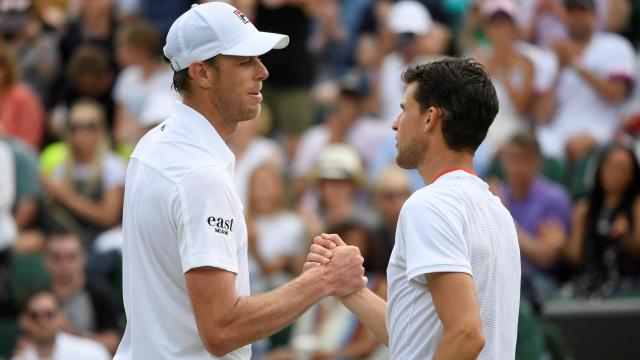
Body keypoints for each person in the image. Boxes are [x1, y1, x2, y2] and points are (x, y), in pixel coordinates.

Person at [114, 3, 366, 359]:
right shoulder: (199, 174)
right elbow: (221, 329)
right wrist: (323, 280)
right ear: (202, 73)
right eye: (245, 61)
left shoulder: (154, 144)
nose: (262, 71)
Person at [306, 57, 521, 359]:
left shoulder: (429, 204)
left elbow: (466, 335)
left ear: (430, 118)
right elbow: (414, 341)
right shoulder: (497, 211)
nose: (395, 123)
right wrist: (350, 290)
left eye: (405, 109)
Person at [563, 143, 640, 298]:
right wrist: (561, 243)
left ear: (632, 174)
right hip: (590, 279)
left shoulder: (636, 205)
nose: (615, 173)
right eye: (611, 166)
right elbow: (575, 258)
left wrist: (625, 237)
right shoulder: (584, 208)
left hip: (624, 281)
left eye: (622, 168)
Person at [43, 232, 122, 353]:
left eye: (71, 257)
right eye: (56, 258)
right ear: (45, 261)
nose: (64, 265)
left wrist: (72, 334)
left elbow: (113, 342)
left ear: (83, 258)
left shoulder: (100, 293)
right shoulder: (38, 297)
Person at [12, 289, 111, 360]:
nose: (43, 322)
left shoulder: (92, 353)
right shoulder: (19, 358)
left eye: (49, 314)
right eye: (34, 316)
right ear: (23, 321)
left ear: (61, 317)